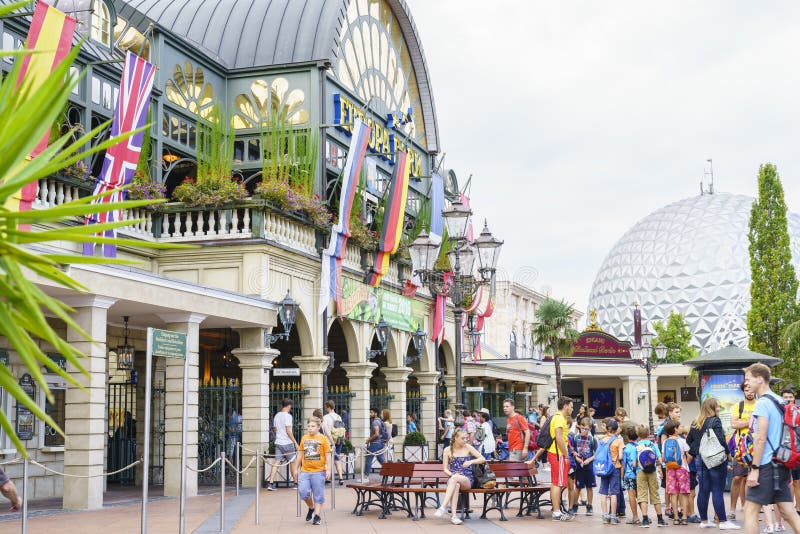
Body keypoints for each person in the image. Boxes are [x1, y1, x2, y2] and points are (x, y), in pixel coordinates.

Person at [743, 363, 800, 534]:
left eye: (749, 379)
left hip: (766, 464)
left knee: (750, 511)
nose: (747, 383)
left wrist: (754, 469)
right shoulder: (780, 401)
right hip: (782, 462)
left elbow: (760, 438)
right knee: (789, 512)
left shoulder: (762, 403)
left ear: (760, 379)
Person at [687, 397, 738, 530]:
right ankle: (722, 521)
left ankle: (704, 520)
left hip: (701, 460)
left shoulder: (695, 422)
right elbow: (721, 440)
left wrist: (698, 450)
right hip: (716, 460)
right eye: (717, 406)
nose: (719, 408)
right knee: (717, 490)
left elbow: (689, 440)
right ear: (712, 407)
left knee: (703, 490)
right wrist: (728, 454)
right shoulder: (715, 421)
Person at [434, 428, 486, 525]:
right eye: (463, 438)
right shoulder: (447, 450)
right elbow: (445, 469)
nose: (465, 440)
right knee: (455, 483)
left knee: (454, 479)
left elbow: (482, 459)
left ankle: (443, 506)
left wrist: (471, 461)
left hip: (467, 479)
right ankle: (454, 516)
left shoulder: (468, 447)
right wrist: (452, 474)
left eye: (466, 438)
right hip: (454, 478)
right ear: (455, 438)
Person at [296, 417, 331, 526]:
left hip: (319, 471)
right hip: (305, 471)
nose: (310, 428)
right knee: (303, 492)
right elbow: (300, 454)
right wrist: (295, 468)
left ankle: (317, 516)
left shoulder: (323, 439)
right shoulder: (304, 438)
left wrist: (328, 469)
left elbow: (328, 455)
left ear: (318, 427)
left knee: (318, 494)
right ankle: (311, 508)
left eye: (313, 426)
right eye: (309, 426)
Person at [730, 382, 756, 520]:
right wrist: (751, 421)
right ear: (743, 391)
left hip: (757, 447)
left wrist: (743, 421)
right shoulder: (738, 406)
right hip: (741, 448)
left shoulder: (760, 404)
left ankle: (750, 508)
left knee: (753, 479)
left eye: (751, 390)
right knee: (737, 478)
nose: (749, 392)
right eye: (747, 390)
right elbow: (734, 424)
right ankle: (732, 509)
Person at [546, 396, 573, 521]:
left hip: (555, 453)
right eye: (571, 406)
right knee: (557, 483)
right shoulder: (559, 418)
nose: (572, 409)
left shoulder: (558, 417)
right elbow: (559, 437)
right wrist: (566, 454)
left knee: (555, 482)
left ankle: (556, 510)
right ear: (566, 406)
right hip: (558, 454)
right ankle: (556, 512)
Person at [634, 423, 666, 527]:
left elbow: (634, 463)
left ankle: (645, 520)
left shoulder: (637, 446)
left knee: (642, 495)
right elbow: (660, 460)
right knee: (655, 494)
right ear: (648, 434)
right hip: (652, 472)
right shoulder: (654, 445)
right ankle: (660, 519)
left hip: (640, 472)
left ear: (638, 434)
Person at [663, 420, 691, 525]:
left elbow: (663, 457)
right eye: (679, 427)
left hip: (670, 469)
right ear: (675, 429)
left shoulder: (665, 442)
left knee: (673, 494)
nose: (681, 428)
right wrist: (686, 465)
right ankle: (684, 516)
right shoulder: (682, 441)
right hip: (682, 468)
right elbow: (688, 455)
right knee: (683, 493)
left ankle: (675, 517)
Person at [267, 398, 298, 491]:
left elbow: (275, 429)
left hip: (278, 442)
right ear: (289, 406)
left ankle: (271, 483)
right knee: (293, 463)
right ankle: (296, 483)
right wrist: (295, 443)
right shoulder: (288, 416)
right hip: (288, 443)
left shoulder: (277, 415)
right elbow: (289, 431)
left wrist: (280, 433)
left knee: (276, 462)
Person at [569, 417, 596, 516]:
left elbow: (596, 453)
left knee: (590, 487)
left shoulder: (592, 439)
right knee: (578, 487)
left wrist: (589, 459)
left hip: (589, 467)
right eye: (583, 428)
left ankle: (589, 506)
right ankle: (575, 505)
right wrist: (576, 457)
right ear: (580, 427)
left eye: (587, 429)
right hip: (579, 467)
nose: (585, 431)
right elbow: (572, 450)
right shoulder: (576, 438)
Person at [598, 418, 623, 524]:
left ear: (607, 428)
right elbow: (621, 456)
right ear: (616, 429)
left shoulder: (602, 440)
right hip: (615, 467)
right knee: (614, 492)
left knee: (603, 491)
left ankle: (604, 515)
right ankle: (613, 516)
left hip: (604, 468)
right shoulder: (618, 441)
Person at [780, 387, 800, 514]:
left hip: (796, 451)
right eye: (785, 397)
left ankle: (798, 508)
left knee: (797, 481)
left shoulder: (799, 412)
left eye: (790, 397)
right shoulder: (777, 413)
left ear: (794, 398)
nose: (788, 399)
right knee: (785, 482)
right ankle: (786, 508)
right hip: (782, 452)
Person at [621, 425, 640, 525]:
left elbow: (623, 465)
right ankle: (644, 515)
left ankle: (635, 517)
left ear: (628, 437)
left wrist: (621, 478)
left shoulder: (626, 448)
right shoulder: (639, 446)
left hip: (629, 475)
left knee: (631, 496)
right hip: (639, 474)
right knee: (640, 496)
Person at [322, 401, 345, 484]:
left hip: (329, 441)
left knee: (328, 459)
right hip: (339, 440)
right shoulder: (339, 417)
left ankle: (328, 478)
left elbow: (325, 431)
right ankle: (341, 478)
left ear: (328, 407)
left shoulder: (325, 417)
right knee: (337, 459)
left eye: (326, 407)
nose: (325, 408)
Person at [503, 398, 531, 462]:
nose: (505, 408)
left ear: (513, 407)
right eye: (504, 406)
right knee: (516, 470)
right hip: (511, 448)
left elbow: (527, 432)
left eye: (507, 406)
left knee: (513, 470)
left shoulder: (519, 418)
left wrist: (525, 448)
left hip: (518, 448)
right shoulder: (508, 419)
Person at [365, 407, 386, 474]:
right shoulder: (380, 421)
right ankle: (389, 472)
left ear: (376, 413)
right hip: (381, 443)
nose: (370, 414)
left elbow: (376, 434)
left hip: (375, 443)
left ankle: (365, 476)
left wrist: (368, 440)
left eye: (371, 412)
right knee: (381, 459)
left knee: (368, 459)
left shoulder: (375, 422)